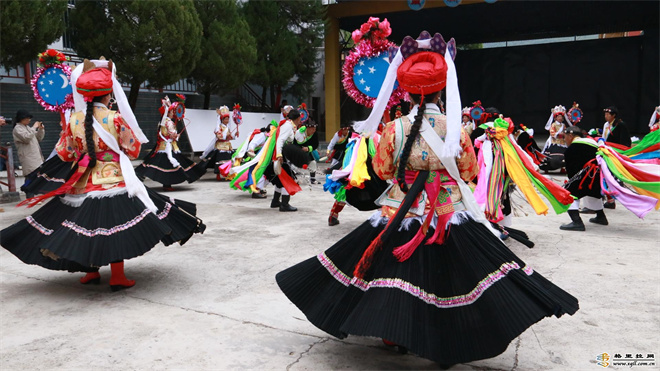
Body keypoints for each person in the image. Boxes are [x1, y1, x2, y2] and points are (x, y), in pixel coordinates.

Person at [276, 32, 578, 366]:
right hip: (448, 210)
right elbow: (467, 169)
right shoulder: (457, 129)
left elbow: (384, 169)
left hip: (400, 209)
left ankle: (393, 331)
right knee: (449, 274)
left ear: (406, 91)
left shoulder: (395, 128)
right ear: (441, 88)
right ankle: (447, 332)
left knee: (391, 271)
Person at [1, 59, 205, 291]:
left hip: (82, 182)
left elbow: (66, 153)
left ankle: (91, 272)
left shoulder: (74, 120)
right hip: (114, 181)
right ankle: (117, 276)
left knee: (87, 229)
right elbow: (133, 149)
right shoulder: (115, 118)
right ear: (108, 94)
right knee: (113, 229)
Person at [135, 97, 203, 190]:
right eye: (171, 112)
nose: (173, 114)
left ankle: (166, 184)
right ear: (168, 113)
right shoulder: (169, 123)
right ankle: (167, 185)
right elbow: (172, 135)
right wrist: (176, 135)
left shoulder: (161, 122)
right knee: (168, 165)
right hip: (168, 146)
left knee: (160, 164)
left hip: (162, 146)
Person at [264, 109, 313, 212]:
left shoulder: (290, 125)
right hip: (282, 154)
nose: (301, 120)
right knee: (288, 178)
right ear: (298, 118)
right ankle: (284, 204)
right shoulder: (287, 126)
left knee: (280, 179)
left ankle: (275, 201)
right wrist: (279, 155)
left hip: (283, 153)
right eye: (300, 118)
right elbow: (280, 140)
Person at [559, 126, 606, 231]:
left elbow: (572, 173)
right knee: (593, 194)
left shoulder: (571, 149)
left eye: (565, 137)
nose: (564, 139)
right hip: (597, 177)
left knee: (567, 193)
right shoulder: (594, 143)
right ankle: (601, 217)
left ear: (571, 136)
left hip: (584, 178)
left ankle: (577, 222)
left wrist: (570, 184)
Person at [196, 106, 237, 180]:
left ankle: (228, 174)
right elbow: (218, 136)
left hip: (228, 146)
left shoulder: (228, 127)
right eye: (226, 119)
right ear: (222, 120)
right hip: (220, 146)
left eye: (228, 119)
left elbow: (229, 137)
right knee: (219, 161)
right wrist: (225, 135)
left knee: (229, 161)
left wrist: (234, 135)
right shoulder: (219, 127)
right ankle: (218, 174)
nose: (227, 120)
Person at [12, 110, 45, 198]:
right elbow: (26, 138)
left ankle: (31, 193)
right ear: (21, 119)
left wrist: (41, 130)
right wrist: (34, 127)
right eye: (27, 118)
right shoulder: (17, 128)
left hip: (36, 156)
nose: (29, 120)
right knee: (31, 175)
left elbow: (38, 138)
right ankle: (27, 192)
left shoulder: (27, 127)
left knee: (36, 175)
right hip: (27, 157)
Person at [540, 105, 568, 172]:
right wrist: (558, 134)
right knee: (550, 155)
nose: (560, 118)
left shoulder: (563, 125)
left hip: (562, 142)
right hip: (555, 142)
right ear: (555, 118)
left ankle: (562, 168)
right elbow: (552, 132)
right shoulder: (553, 125)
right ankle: (546, 168)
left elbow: (566, 131)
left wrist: (565, 134)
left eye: (561, 117)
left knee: (564, 155)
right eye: (559, 117)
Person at [294, 120, 319, 184]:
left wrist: (308, 148)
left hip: (307, 151)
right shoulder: (299, 133)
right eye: (312, 129)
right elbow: (293, 143)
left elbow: (316, 144)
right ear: (308, 128)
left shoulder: (314, 134)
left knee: (313, 163)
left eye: (315, 129)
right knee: (294, 166)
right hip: (296, 152)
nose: (314, 131)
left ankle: (312, 179)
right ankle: (293, 179)